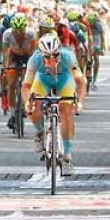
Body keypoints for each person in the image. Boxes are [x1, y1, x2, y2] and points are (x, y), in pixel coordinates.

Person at [22, 34, 86, 176]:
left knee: (66, 111)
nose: (52, 60)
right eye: (47, 57)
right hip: (43, 79)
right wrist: (28, 103)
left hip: (64, 79)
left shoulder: (68, 57)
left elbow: (81, 83)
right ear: (41, 54)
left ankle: (67, 156)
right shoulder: (35, 60)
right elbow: (26, 87)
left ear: (60, 52)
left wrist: (80, 102)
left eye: (55, 56)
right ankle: (39, 132)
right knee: (34, 107)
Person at [2, 13, 37, 130]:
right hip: (13, 56)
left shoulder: (31, 34)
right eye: (15, 31)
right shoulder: (7, 34)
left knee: (26, 82)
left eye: (21, 31)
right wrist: (6, 67)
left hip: (28, 56)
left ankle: (24, 103)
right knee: (11, 84)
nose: (18, 34)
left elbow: (34, 54)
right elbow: (6, 53)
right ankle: (12, 113)